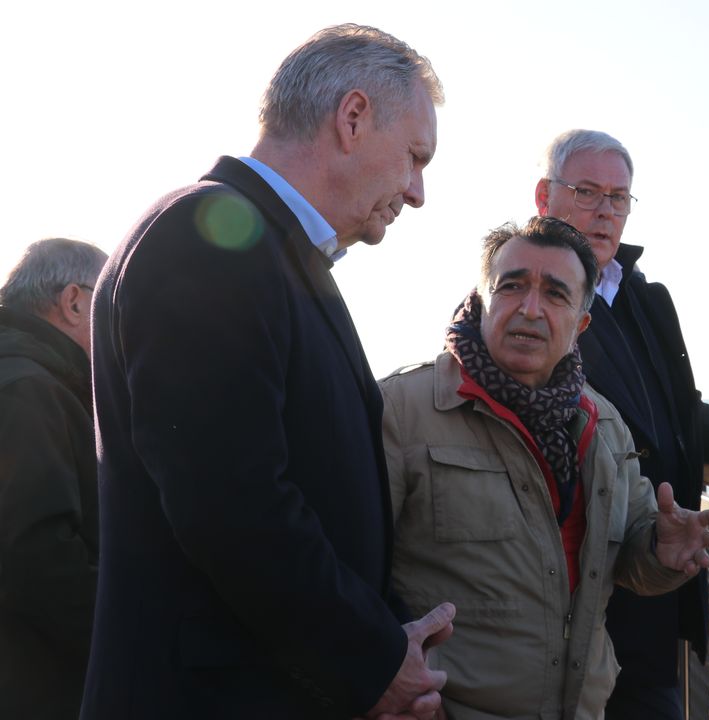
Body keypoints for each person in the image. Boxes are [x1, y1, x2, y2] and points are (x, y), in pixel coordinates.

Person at [84, 25, 453, 720]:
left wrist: (390, 636)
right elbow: (233, 506)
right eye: (414, 157)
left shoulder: (273, 253)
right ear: (352, 118)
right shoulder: (208, 237)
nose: (417, 192)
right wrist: (372, 662)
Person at [380, 216, 709, 719]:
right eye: (512, 286)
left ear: (581, 325)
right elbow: (348, 570)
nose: (530, 308)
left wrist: (660, 550)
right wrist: (381, 674)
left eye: (556, 294)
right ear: (481, 300)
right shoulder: (401, 411)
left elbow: (629, 556)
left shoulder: (603, 424)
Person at [533, 129, 709, 718]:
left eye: (619, 197)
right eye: (587, 192)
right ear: (545, 197)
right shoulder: (522, 296)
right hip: (575, 590)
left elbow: (677, 412)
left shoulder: (642, 297)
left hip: (656, 573)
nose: (605, 210)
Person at [0, 238, 107, 719]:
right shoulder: (29, 390)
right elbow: (37, 557)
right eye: (112, 304)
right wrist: (125, 644)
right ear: (74, 302)